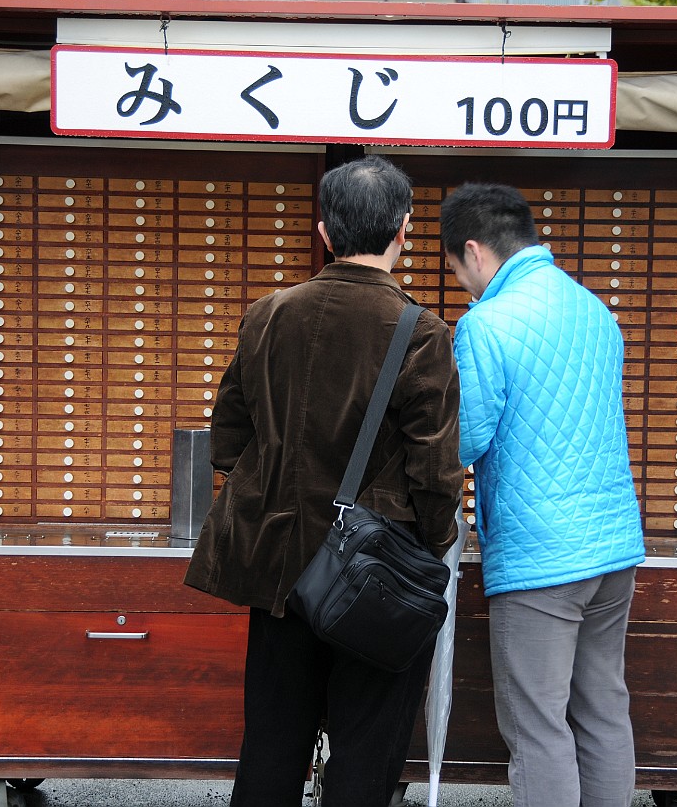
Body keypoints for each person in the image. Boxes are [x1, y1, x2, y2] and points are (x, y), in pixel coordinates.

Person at [184, 155, 463, 807]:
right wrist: (427, 545)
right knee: (363, 761)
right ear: (404, 230)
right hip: (375, 573)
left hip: (277, 566)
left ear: (325, 233)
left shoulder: (268, 315)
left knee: (272, 749)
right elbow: (435, 472)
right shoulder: (420, 333)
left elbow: (227, 439)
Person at [440, 183, 645, 807]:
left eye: (456, 269)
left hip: (540, 562)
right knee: (604, 709)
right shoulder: (595, 310)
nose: (461, 283)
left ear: (473, 251)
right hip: (613, 551)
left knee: (539, 728)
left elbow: (463, 441)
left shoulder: (486, 325)